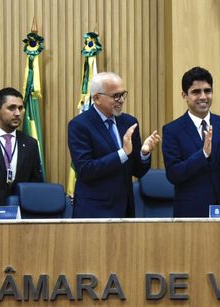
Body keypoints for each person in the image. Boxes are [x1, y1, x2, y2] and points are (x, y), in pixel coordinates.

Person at [68, 72, 160, 218]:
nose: (122, 100)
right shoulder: (79, 125)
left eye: (123, 94)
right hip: (94, 210)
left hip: (125, 209)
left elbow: (137, 171)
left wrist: (144, 153)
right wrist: (122, 153)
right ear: (97, 98)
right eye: (116, 96)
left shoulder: (129, 122)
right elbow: (86, 170)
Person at [162, 66, 220, 217]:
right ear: (184, 95)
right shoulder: (172, 130)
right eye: (196, 92)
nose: (203, 96)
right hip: (190, 212)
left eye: (207, 91)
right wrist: (202, 154)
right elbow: (173, 174)